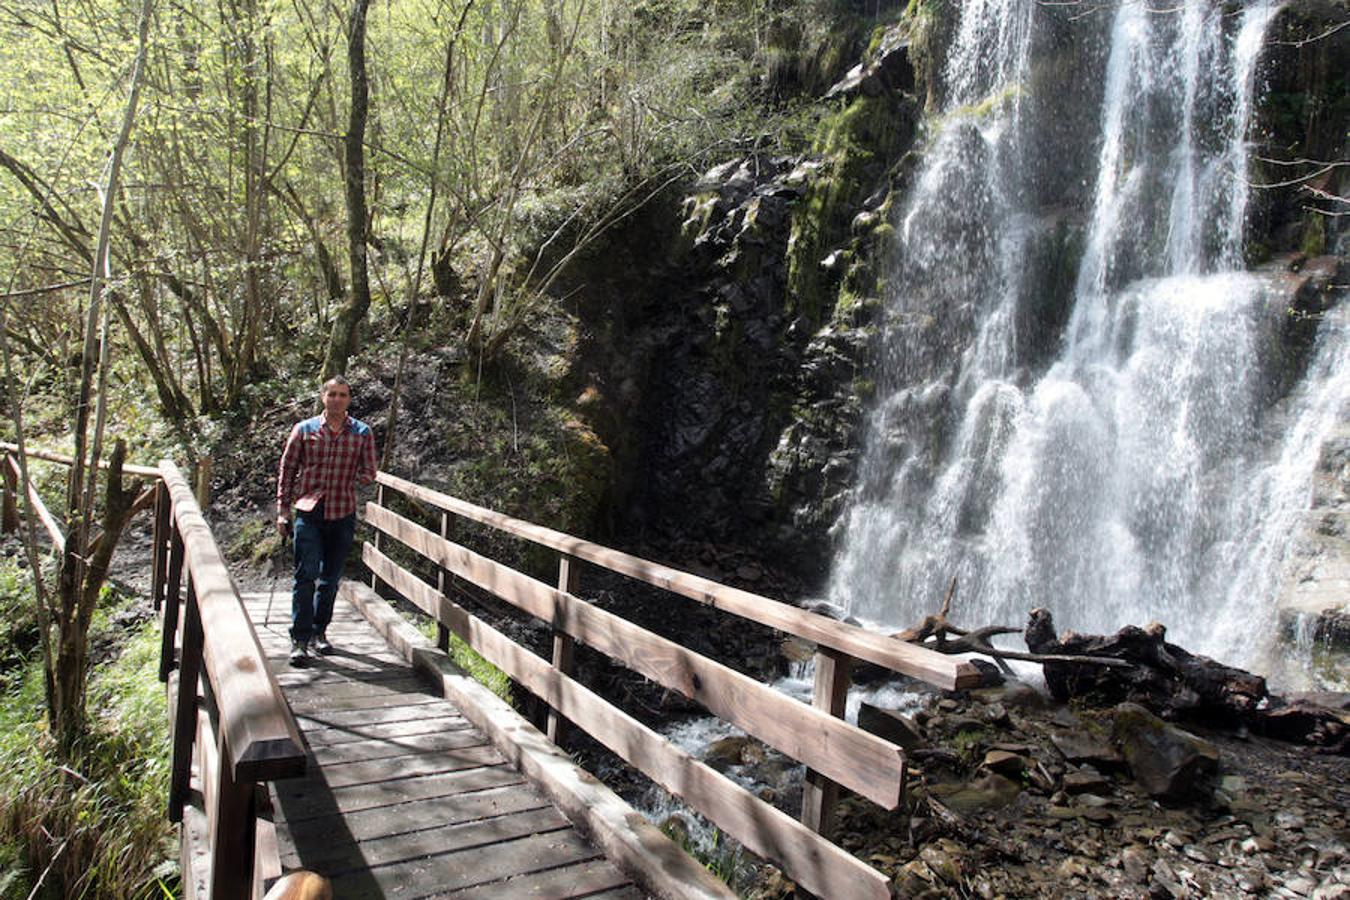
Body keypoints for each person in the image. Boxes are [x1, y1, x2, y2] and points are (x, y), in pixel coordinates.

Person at [276, 375, 378, 665]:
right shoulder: (304, 429)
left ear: (349, 399)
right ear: (323, 397)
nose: (337, 399)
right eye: (331, 394)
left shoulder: (361, 432)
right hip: (309, 511)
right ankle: (299, 638)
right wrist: (283, 510)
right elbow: (287, 468)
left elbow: (370, 470)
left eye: (342, 395)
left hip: (343, 511)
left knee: (330, 578)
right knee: (305, 574)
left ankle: (320, 632)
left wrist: (351, 478)